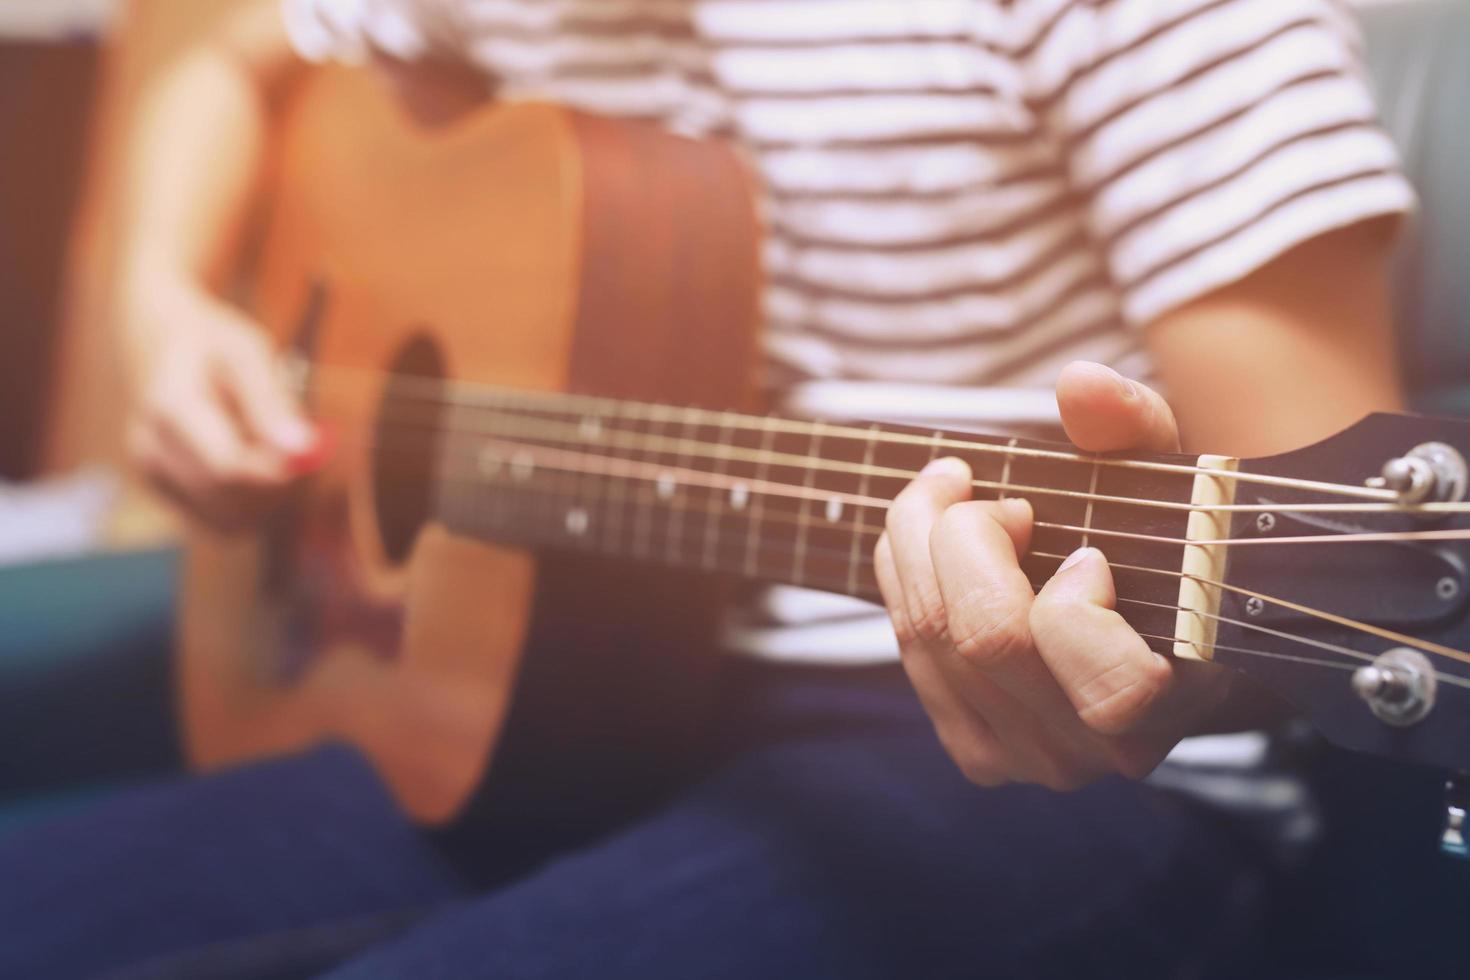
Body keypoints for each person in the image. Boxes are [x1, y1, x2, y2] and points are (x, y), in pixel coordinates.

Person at [0, 0, 1424, 976]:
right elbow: (230, 60)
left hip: (1010, 763)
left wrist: (1161, 679)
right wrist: (163, 307)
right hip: (556, 708)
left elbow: (1347, 572)